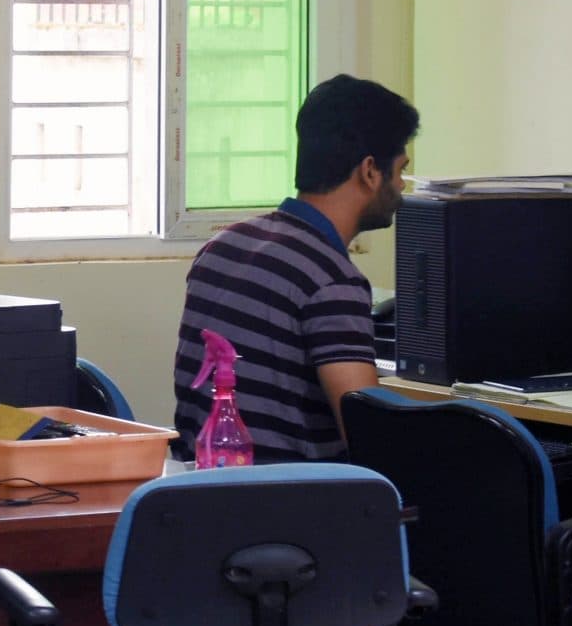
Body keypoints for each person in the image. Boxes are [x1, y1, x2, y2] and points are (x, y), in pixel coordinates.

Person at [171, 74, 415, 461]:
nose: (402, 185)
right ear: (370, 171)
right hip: (291, 503)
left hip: (204, 492)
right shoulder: (331, 278)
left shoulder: (222, 247)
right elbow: (370, 435)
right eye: (400, 169)